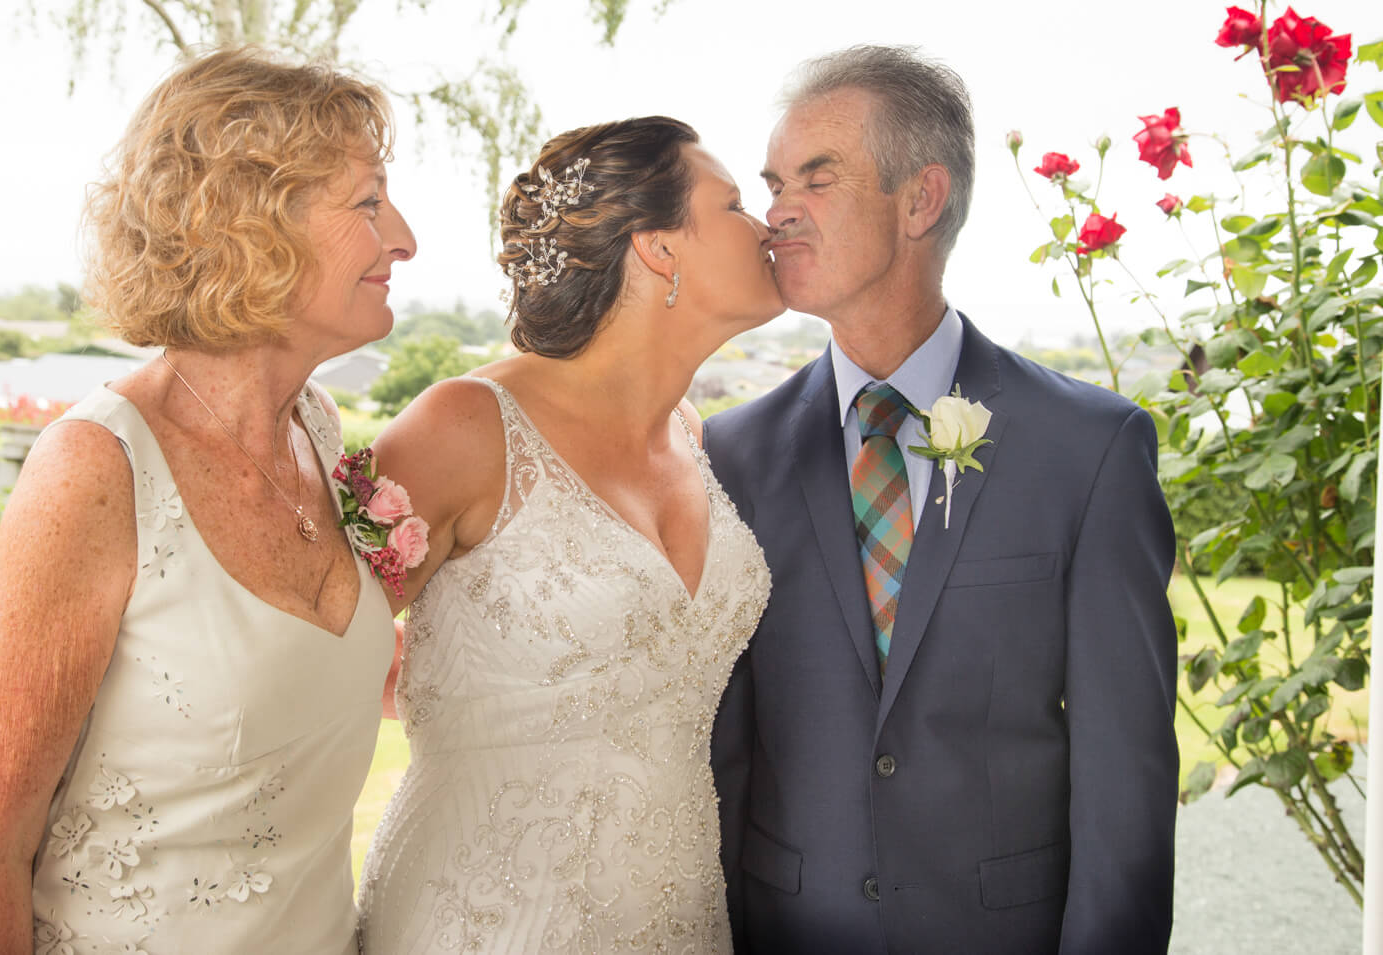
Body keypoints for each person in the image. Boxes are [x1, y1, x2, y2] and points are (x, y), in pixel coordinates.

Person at [0, 47, 417, 954]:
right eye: (367, 202)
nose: (403, 237)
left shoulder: (316, 428)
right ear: (248, 224)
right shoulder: (95, 468)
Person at [707, 46, 1178, 954]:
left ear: (921, 198)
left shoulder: (1090, 449)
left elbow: (1127, 779)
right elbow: (720, 758)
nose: (777, 212)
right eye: (773, 183)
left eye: (818, 177)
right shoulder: (731, 456)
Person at [356, 117, 781, 953]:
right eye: (733, 204)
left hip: (677, 913)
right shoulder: (463, 427)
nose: (765, 226)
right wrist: (473, 710)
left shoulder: (690, 435)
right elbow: (312, 653)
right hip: (484, 917)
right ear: (659, 247)